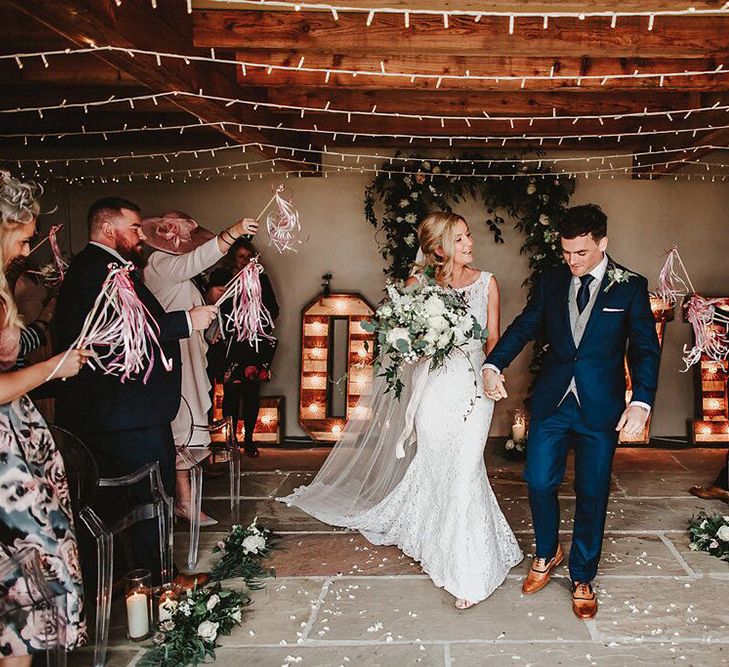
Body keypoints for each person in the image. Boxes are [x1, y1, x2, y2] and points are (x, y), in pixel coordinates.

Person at [280, 212, 522, 609]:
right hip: (434, 391)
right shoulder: (417, 286)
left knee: (464, 470)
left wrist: (492, 373)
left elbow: (493, 338)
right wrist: (423, 346)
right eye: (459, 239)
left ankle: (467, 570)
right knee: (434, 464)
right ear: (440, 248)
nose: (469, 243)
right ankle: (435, 538)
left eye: (468, 235)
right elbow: (400, 343)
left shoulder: (487, 283)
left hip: (473, 391)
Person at [483, 204, 660, 620]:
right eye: (566, 253)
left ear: (602, 243)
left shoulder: (630, 286)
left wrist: (641, 402)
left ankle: (583, 574)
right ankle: (547, 551)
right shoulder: (552, 281)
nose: (572, 261)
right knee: (538, 480)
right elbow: (524, 326)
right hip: (554, 402)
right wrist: (493, 364)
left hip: (601, 408)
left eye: (580, 253)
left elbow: (646, 349)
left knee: (592, 492)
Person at [54, 197, 217, 586]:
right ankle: (158, 583)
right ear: (109, 229)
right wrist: (186, 322)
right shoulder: (100, 271)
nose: (140, 235)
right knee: (147, 499)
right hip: (124, 413)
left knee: (133, 503)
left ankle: (139, 580)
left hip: (123, 411)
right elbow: (125, 332)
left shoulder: (100, 268)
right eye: (133, 228)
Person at [0, 171, 91, 666]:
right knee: (30, 572)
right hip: (4, 464)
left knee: (21, 582)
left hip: (17, 443)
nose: (27, 247)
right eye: (23, 235)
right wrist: (54, 367)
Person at [141, 210, 258, 526]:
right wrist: (232, 231)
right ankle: (184, 502)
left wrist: (210, 299)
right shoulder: (160, 264)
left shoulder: (177, 272)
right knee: (183, 424)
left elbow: (189, 307)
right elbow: (195, 263)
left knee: (191, 420)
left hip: (190, 357)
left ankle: (187, 498)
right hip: (174, 360)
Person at [206, 238, 279, 458]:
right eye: (241, 256)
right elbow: (212, 306)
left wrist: (256, 317)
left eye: (249, 256)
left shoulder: (261, 279)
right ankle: (231, 440)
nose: (245, 260)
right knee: (229, 393)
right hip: (230, 342)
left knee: (251, 393)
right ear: (232, 258)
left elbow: (274, 310)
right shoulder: (221, 277)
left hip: (253, 344)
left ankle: (249, 440)